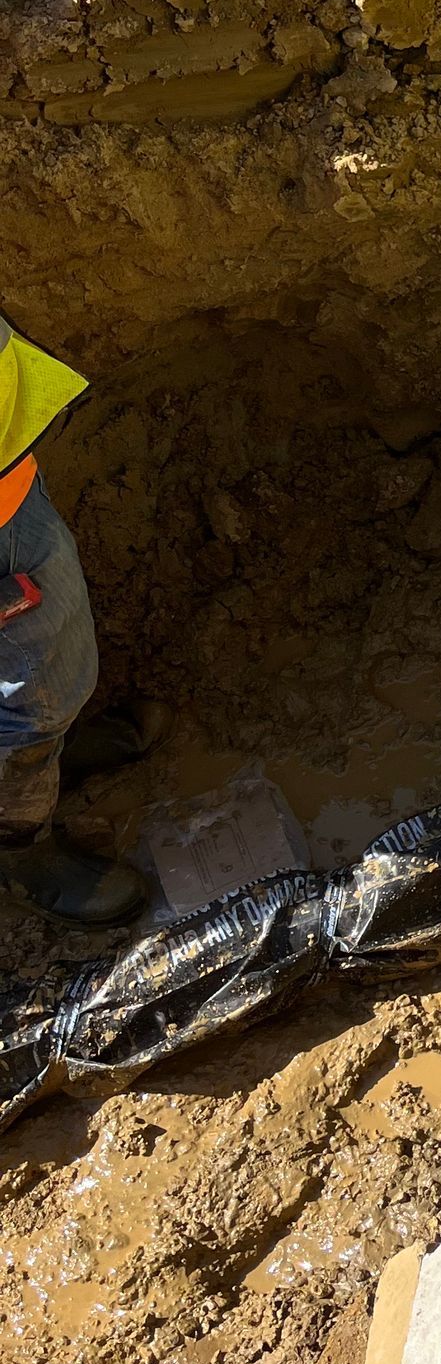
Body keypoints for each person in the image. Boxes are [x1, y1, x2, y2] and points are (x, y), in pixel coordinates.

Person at [0, 316, 158, 926]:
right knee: (26, 707)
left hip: (7, 481)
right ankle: (16, 848)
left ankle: (48, 761)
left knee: (51, 671)